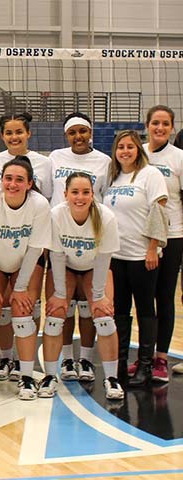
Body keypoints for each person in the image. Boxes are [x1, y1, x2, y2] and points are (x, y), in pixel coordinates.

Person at [0, 156, 51, 400]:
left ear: (30, 184)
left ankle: (27, 377)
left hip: (25, 261)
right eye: (8, 178)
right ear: (1, 181)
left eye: (20, 179)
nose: (13, 184)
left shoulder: (39, 205)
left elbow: (34, 250)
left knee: (22, 312)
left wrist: (20, 288)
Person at [45, 172, 123, 400]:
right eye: (75, 192)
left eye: (85, 192)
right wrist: (60, 295)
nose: (80, 197)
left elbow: (103, 259)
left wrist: (99, 297)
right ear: (65, 194)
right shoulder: (56, 215)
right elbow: (57, 257)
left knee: (103, 316)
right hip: (65, 266)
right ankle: (54, 372)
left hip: (93, 267)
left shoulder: (105, 217)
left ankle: (109, 377)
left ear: (92, 194)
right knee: (56, 314)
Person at [0, 113, 52, 382]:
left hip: (31, 245)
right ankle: (4, 358)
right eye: (9, 132)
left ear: (28, 133)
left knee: (26, 305)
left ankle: (25, 368)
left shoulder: (45, 165)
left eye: (19, 132)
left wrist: (23, 284)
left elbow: (47, 198)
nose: (14, 137)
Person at [49, 113, 111, 382]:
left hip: (91, 241)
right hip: (59, 240)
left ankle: (85, 359)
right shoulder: (55, 157)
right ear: (67, 135)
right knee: (62, 306)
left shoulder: (104, 162)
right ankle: (66, 360)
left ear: (90, 133)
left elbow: (105, 197)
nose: (78, 136)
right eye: (73, 132)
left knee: (89, 307)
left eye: (82, 131)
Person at [104, 130, 168, 387]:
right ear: (115, 151)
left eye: (130, 146)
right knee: (119, 311)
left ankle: (145, 364)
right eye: (121, 147)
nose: (125, 151)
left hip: (142, 256)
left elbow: (159, 212)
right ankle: (120, 363)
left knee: (145, 310)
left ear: (138, 150)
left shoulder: (150, 174)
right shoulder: (114, 177)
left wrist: (153, 248)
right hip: (116, 256)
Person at [141, 105, 183, 382]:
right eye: (155, 123)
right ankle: (144, 357)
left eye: (165, 124)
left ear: (171, 128)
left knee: (165, 297)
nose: (159, 128)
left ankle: (162, 358)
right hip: (139, 238)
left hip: (174, 234)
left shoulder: (179, 157)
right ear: (147, 125)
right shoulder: (136, 152)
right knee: (143, 300)